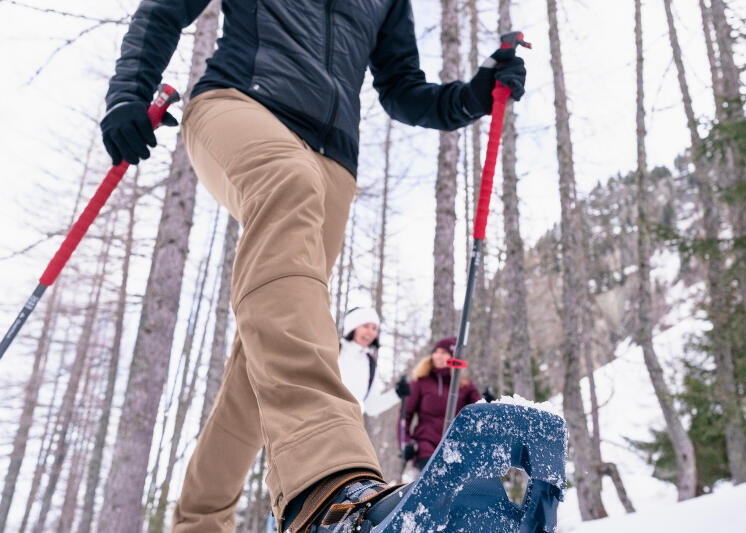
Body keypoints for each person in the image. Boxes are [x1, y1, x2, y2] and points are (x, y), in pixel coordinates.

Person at [100, 0, 526, 531]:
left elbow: (402, 89)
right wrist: (127, 95)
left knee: (273, 344)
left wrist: (472, 97)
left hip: (332, 164)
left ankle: (199, 522)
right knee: (289, 183)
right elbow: (163, 10)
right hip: (238, 104)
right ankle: (326, 487)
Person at [397, 337, 482, 471]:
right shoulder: (420, 382)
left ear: (453, 357)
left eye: (444, 353)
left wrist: (488, 401)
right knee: (432, 478)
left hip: (454, 444)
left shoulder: (464, 385)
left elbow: (478, 410)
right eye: (436, 352)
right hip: (425, 443)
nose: (438, 356)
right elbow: (406, 415)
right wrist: (405, 443)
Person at [337, 307, 399, 417]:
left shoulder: (370, 363)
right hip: (319, 420)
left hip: (349, 423)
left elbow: (372, 407)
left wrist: (397, 394)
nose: (371, 332)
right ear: (352, 328)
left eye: (374, 328)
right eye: (365, 326)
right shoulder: (335, 350)